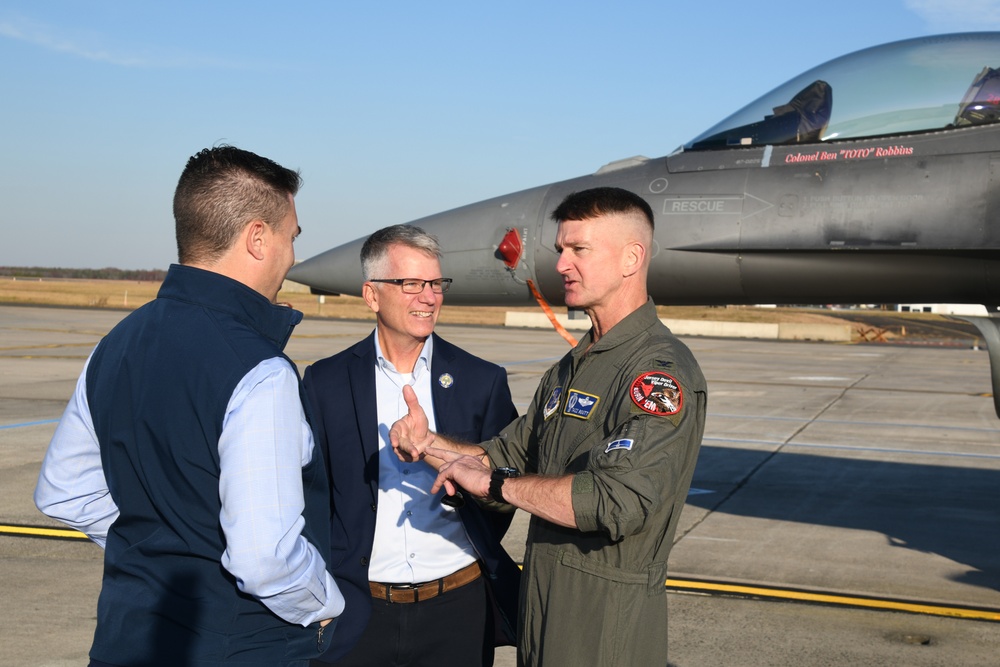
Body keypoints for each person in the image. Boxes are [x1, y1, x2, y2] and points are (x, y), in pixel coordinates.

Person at [34, 146, 344, 667]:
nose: (292, 256)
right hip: (236, 645)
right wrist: (323, 605)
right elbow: (264, 557)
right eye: (292, 237)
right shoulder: (259, 370)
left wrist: (159, 549)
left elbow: (66, 491)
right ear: (258, 238)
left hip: (124, 640)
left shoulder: (117, 342)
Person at [391, 187, 708, 666]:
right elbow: (504, 458)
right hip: (542, 623)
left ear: (631, 258)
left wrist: (496, 482)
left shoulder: (657, 374)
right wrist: (429, 444)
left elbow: (618, 501)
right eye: (561, 249)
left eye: (579, 249)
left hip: (605, 634)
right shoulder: (571, 366)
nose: (561, 264)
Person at [302, 224, 520, 666]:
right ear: (371, 295)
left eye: (436, 284)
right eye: (411, 284)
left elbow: (506, 486)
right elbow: (310, 495)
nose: (429, 297)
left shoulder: (482, 381)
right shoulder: (325, 382)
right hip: (357, 612)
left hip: (457, 609)